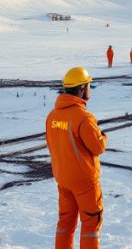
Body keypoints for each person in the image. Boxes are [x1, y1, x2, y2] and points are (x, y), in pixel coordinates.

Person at [46, 67, 107, 248]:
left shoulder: (52, 116)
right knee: (90, 224)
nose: (89, 90)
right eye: (88, 86)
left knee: (65, 223)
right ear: (81, 89)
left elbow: (52, 146)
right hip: (84, 182)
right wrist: (103, 137)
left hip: (63, 179)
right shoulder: (83, 117)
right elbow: (97, 148)